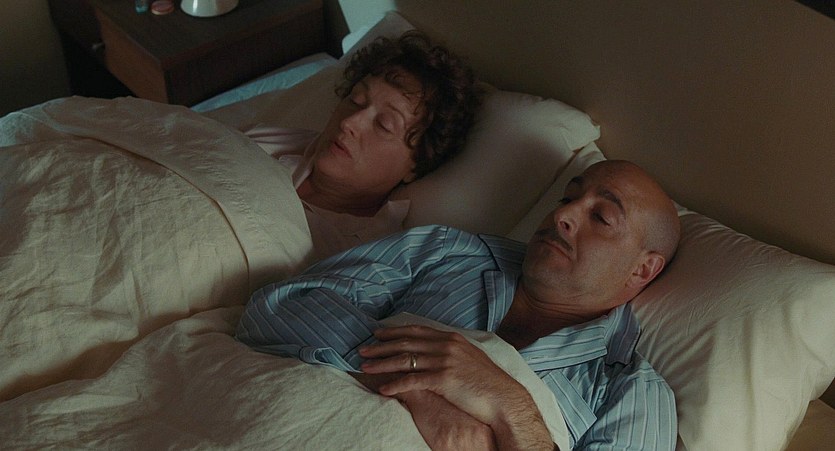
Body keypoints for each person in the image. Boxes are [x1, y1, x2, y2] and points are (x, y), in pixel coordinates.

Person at [236, 160, 681, 450]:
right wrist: (420, 391)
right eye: (567, 197)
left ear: (643, 269)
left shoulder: (631, 392)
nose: (563, 215)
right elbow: (280, 304)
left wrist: (510, 404)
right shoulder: (447, 251)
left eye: (601, 217)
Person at [245, 31, 481, 260]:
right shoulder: (268, 141)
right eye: (355, 100)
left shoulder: (355, 256)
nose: (349, 122)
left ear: (417, 164)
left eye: (384, 125)